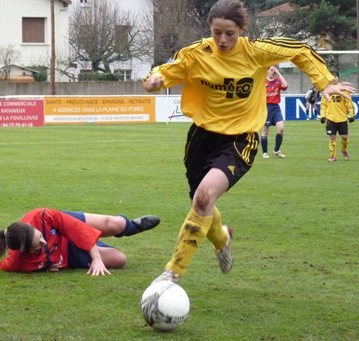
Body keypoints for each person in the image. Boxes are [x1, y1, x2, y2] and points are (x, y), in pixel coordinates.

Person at [142, 0, 354, 283]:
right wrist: (154, 80)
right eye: (217, 32)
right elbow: (167, 71)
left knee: (204, 197)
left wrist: (324, 82)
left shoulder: (256, 52)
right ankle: (221, 239)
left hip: (241, 139)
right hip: (201, 138)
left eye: (230, 33)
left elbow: (300, 50)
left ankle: (172, 273)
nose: (223, 39)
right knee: (200, 201)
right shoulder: (198, 52)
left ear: (242, 30)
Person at [0, 208, 160, 276]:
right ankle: (98, 246)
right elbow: (4, 266)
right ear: (26, 251)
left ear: (32, 226)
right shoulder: (16, 262)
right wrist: (44, 264)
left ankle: (131, 227)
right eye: (38, 245)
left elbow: (77, 229)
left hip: (66, 227)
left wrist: (97, 259)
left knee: (116, 224)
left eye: (40, 236)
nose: (44, 242)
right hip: (66, 252)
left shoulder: (43, 216)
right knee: (120, 259)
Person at [320, 70, 355, 162]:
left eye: (335, 76)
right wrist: (323, 115)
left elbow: (349, 103)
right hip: (330, 118)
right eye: (332, 76)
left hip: (342, 118)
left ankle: (343, 150)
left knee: (345, 138)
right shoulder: (326, 89)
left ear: (338, 78)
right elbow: (323, 105)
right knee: (332, 137)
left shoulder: (343, 89)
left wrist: (351, 115)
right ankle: (332, 156)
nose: (334, 78)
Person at [261, 66, 288, 158]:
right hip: (266, 108)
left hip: (276, 108)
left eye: (274, 70)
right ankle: (265, 152)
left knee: (281, 128)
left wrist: (279, 73)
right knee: (265, 131)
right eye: (271, 70)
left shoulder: (277, 81)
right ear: (267, 71)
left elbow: (285, 86)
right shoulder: (263, 81)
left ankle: (276, 150)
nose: (273, 72)